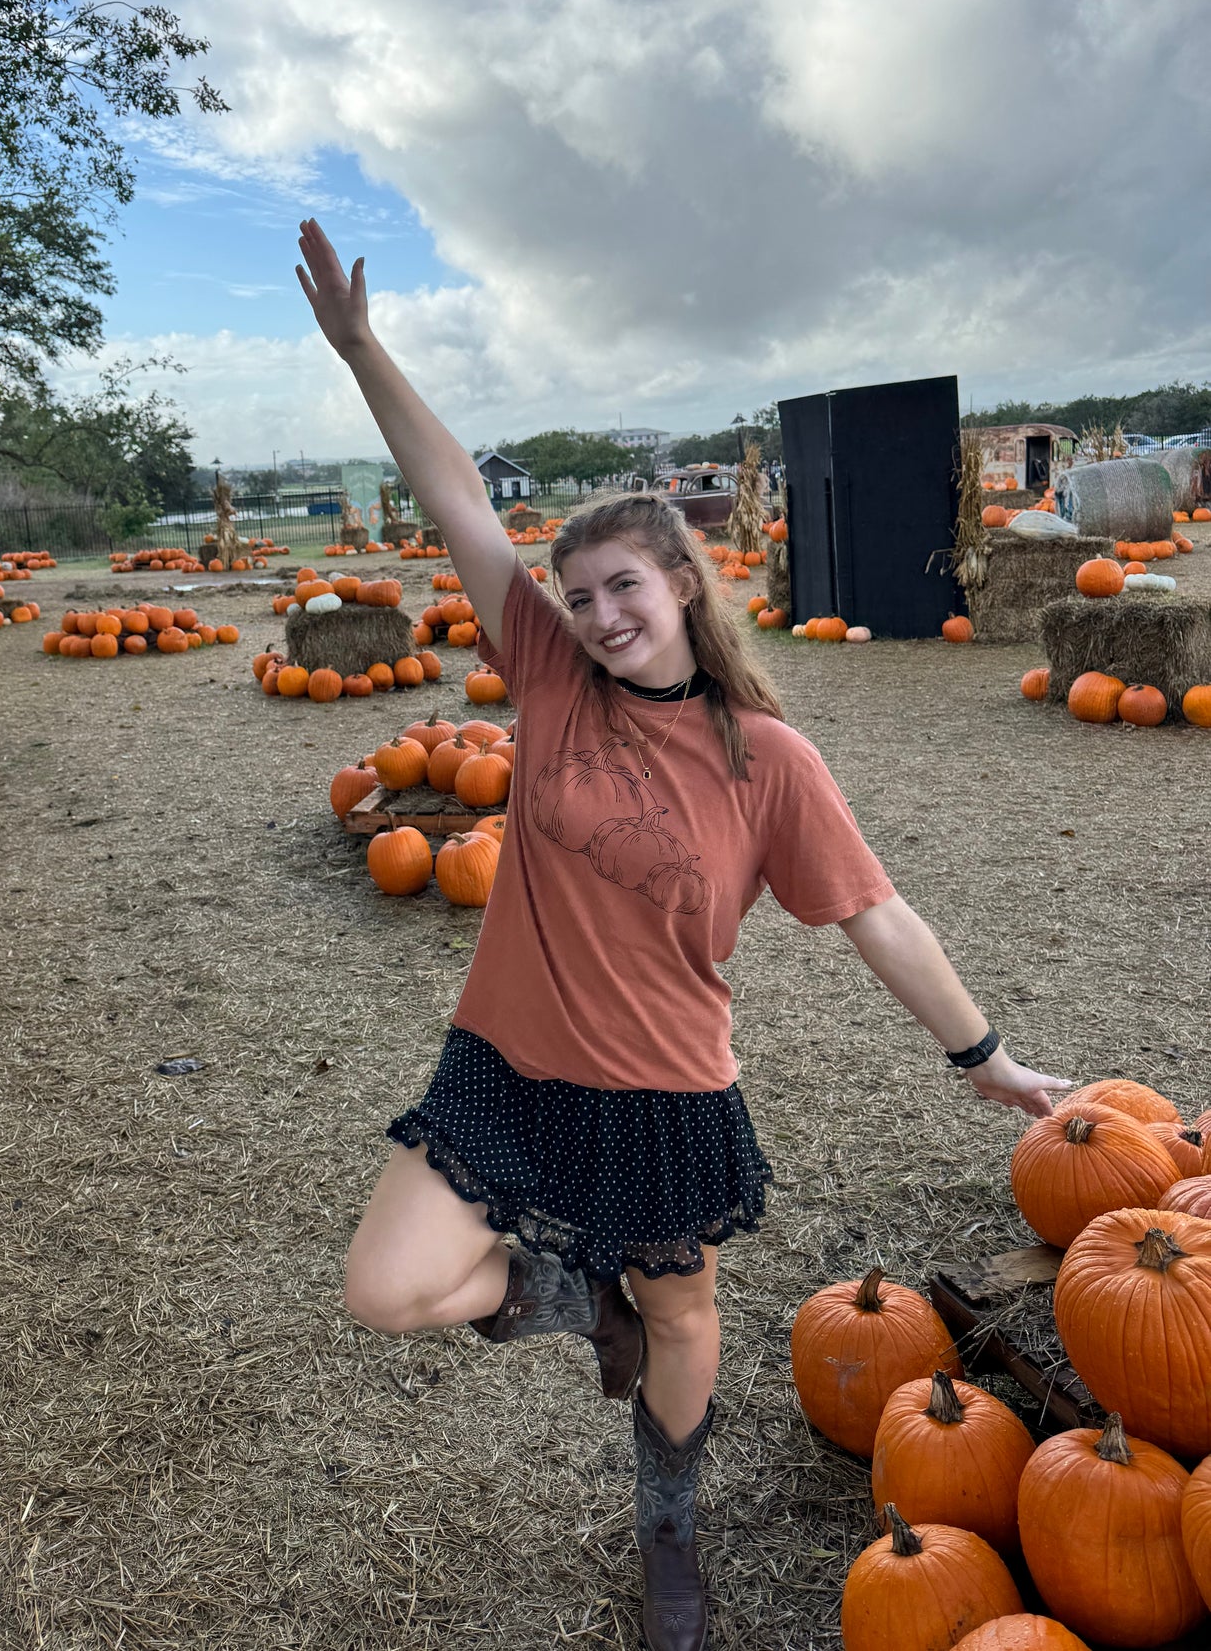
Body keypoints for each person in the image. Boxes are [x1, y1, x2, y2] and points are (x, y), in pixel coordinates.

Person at [294, 219, 1071, 1651]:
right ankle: (569, 1289)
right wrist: (362, 351)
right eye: (578, 597)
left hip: (664, 1089)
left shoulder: (767, 762)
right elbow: (456, 495)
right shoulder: (545, 676)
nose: (596, 618)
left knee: (688, 1325)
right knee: (388, 1288)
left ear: (684, 589)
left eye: (624, 592)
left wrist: (984, 1053)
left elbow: (874, 913)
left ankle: (667, 1540)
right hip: (505, 1065)